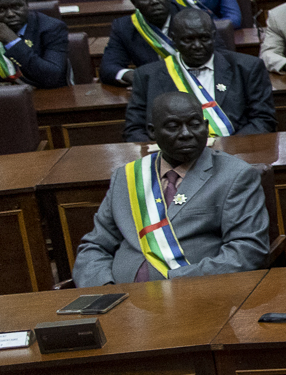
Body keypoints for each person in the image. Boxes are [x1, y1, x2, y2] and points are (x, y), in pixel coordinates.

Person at [73, 90, 271, 285]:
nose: (186, 134)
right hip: (121, 301)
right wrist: (104, 290)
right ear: (152, 131)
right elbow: (95, 246)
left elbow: (247, 250)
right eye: (173, 126)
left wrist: (172, 284)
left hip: (195, 296)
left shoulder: (235, 175)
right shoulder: (127, 177)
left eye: (194, 125)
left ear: (206, 126)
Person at [122, 8, 274, 141]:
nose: (197, 46)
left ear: (214, 36)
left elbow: (263, 120)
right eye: (188, 39)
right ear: (174, 39)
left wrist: (228, 150)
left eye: (204, 38)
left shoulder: (247, 68)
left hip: (235, 155)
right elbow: (134, 130)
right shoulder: (147, 76)